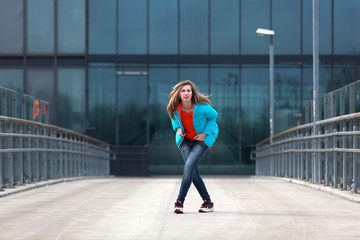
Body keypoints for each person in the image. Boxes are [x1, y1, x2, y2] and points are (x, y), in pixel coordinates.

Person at [166, 80, 219, 214]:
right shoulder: (175, 107)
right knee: (192, 171)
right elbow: (173, 117)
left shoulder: (202, 107)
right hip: (185, 140)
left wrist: (204, 133)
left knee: (189, 167)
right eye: (183, 91)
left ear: (192, 93)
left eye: (188, 90)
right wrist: (177, 128)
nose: (186, 93)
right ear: (179, 93)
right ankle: (208, 202)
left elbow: (214, 116)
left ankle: (179, 202)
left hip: (201, 140)